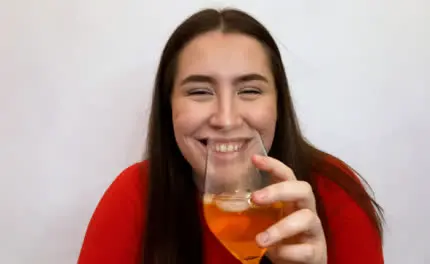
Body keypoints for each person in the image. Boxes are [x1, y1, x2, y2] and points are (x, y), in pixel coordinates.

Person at [77, 8, 384, 264]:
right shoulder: (133, 197)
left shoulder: (334, 193)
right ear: (167, 106)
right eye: (199, 91)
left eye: (250, 90)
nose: (225, 119)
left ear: (278, 103)